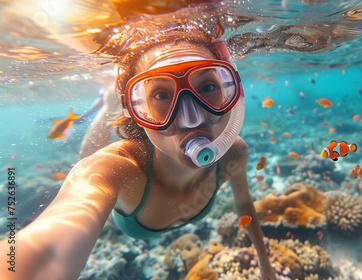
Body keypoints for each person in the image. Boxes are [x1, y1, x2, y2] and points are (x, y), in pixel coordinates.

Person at [0, 23, 278, 280]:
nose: (191, 119)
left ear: (234, 96)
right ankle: (111, 102)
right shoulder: (109, 171)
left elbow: (245, 206)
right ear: (136, 111)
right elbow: (48, 248)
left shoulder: (233, 153)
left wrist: (266, 266)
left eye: (207, 87)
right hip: (117, 214)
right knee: (86, 155)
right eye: (161, 95)